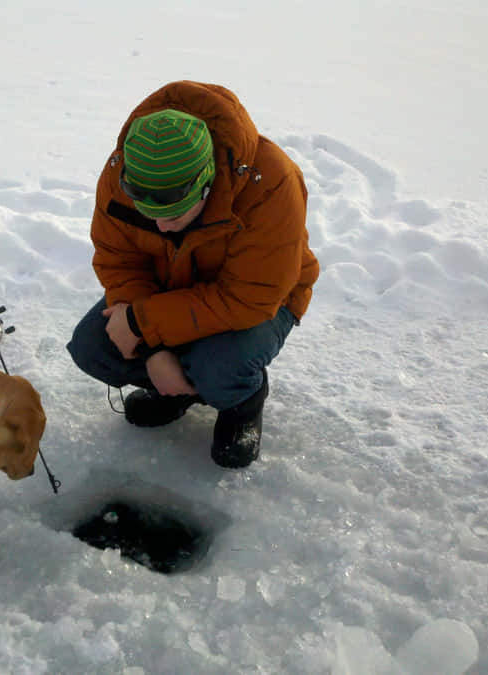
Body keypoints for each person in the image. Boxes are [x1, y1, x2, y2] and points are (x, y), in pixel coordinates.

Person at [67, 81, 319, 468]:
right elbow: (119, 260)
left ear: (206, 186)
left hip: (262, 300)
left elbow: (249, 297)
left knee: (218, 365)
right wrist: (153, 350)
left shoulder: (271, 182)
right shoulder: (125, 169)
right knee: (93, 347)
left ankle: (242, 402)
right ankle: (177, 390)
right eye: (149, 216)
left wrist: (142, 323)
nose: (162, 228)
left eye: (174, 216)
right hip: (172, 287)